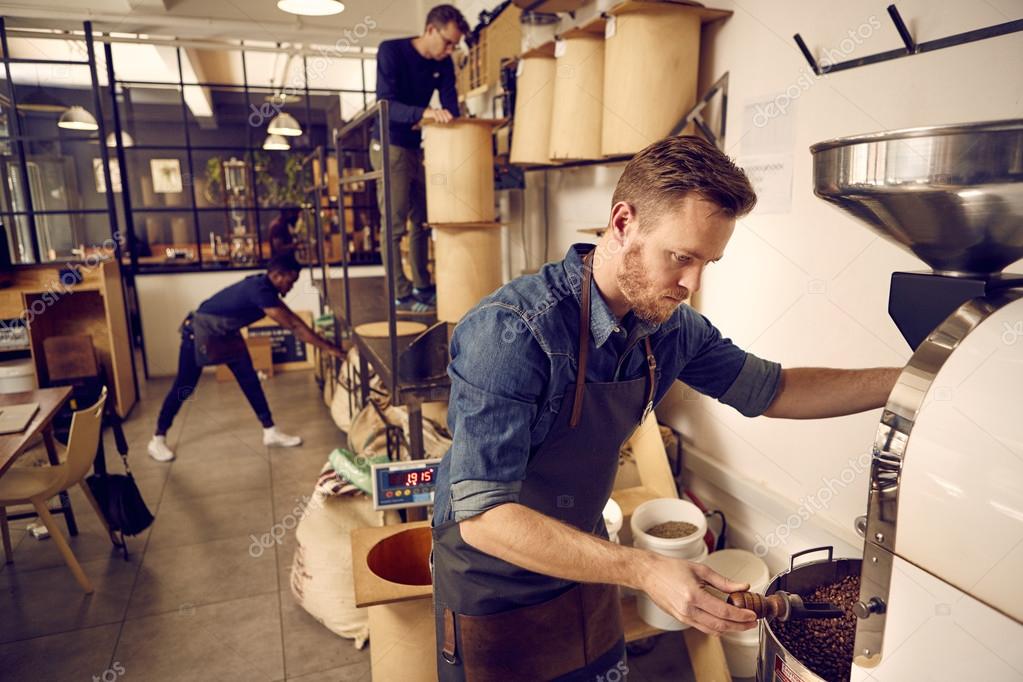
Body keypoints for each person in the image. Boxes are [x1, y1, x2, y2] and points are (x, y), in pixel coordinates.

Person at [430, 135, 902, 680]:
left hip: (587, 560)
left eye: (708, 262)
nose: (692, 284)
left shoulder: (671, 329)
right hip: (493, 582)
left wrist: (914, 383)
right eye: (681, 257)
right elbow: (484, 519)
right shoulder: (512, 332)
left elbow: (776, 390)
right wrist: (644, 569)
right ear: (623, 223)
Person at [147, 251, 344, 462]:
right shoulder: (260, 291)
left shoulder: (265, 288)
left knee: (250, 380)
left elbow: (294, 319)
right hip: (200, 332)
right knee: (184, 386)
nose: (291, 287)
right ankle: (157, 438)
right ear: (277, 275)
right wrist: (330, 349)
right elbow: (294, 327)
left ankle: (270, 431)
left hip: (226, 334)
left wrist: (327, 346)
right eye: (291, 281)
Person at [372, 4, 468, 313]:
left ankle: (422, 286)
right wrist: (424, 113)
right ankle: (400, 294)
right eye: (448, 42)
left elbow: (451, 106)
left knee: (422, 220)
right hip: (390, 143)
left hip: (416, 145)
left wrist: (457, 120)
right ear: (430, 30)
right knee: (395, 222)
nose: (450, 50)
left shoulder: (444, 62)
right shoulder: (391, 51)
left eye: (455, 45)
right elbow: (386, 105)